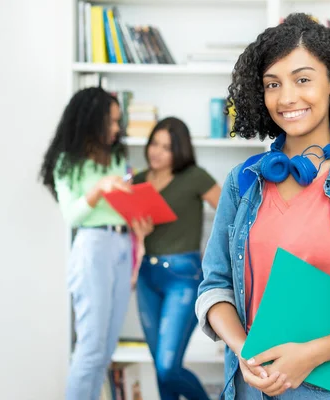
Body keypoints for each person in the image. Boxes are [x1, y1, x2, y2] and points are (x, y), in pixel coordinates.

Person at [196, 13, 330, 400]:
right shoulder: (242, 182)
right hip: (252, 387)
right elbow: (215, 287)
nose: (287, 98)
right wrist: (242, 348)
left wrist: (310, 355)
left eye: (302, 79)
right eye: (272, 84)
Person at [39, 87, 153, 400]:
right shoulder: (68, 162)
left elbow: (121, 206)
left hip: (121, 244)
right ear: (92, 121)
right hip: (93, 247)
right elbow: (72, 216)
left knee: (105, 350)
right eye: (112, 122)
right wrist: (99, 189)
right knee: (90, 349)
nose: (117, 128)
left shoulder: (115, 157)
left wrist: (139, 221)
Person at [132, 117, 221, 400]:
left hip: (184, 276)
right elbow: (135, 232)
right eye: (154, 143)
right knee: (160, 369)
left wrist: (214, 254)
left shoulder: (194, 176)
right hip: (148, 276)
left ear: (179, 151)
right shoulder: (138, 180)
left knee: (168, 367)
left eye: (167, 147)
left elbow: (231, 213)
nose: (156, 152)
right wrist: (139, 233)